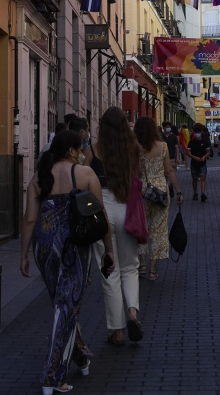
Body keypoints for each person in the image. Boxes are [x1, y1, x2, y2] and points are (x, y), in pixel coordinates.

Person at [20, 130, 115, 394]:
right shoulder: (85, 175)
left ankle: (80, 356)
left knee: (62, 305)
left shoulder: (39, 178)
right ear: (72, 151)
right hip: (75, 245)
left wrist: (24, 254)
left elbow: (29, 219)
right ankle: (52, 375)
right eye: (81, 146)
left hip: (45, 246)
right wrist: (108, 249)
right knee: (67, 307)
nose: (84, 150)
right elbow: (101, 213)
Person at [90, 107, 145, 346]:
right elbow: (136, 180)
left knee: (109, 270)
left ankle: (117, 330)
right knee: (130, 267)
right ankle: (132, 312)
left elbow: (83, 180)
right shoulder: (133, 149)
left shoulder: (93, 150)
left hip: (101, 209)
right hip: (126, 209)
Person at [134, 117, 184, 281]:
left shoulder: (135, 148)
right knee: (158, 229)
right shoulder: (162, 147)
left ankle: (142, 265)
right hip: (160, 191)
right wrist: (178, 191)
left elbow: (134, 172)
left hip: (141, 190)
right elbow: (169, 171)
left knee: (141, 228)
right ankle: (153, 270)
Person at [185, 123, 211, 201]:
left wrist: (204, 157)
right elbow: (187, 152)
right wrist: (194, 157)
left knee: (203, 177)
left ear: (201, 133)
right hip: (194, 163)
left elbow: (208, 151)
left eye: (198, 132)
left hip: (203, 163)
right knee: (195, 179)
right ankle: (195, 192)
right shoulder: (191, 142)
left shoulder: (205, 142)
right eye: (196, 132)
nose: (197, 134)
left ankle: (203, 193)